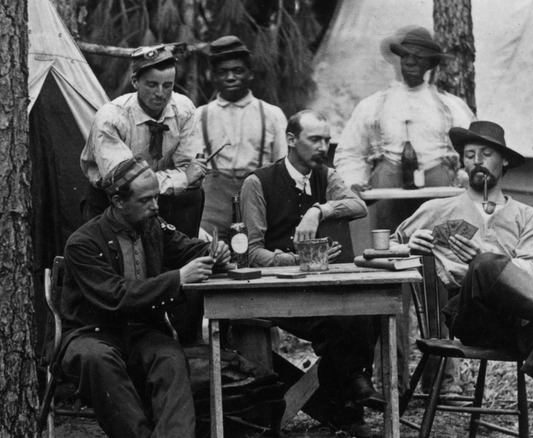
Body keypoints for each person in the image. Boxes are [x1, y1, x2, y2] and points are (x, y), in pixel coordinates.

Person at [391, 121, 533, 437]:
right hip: (472, 316)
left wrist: (485, 253)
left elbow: (530, 273)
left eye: (486, 154)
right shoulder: (439, 209)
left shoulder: (528, 217)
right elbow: (382, 249)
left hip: (523, 319)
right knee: (485, 264)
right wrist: (406, 247)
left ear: (505, 162)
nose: (476, 160)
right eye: (469, 154)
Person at [59, 158, 231, 438]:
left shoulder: (152, 226)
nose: (156, 206)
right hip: (90, 334)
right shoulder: (83, 243)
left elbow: (187, 250)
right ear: (117, 201)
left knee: (169, 356)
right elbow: (116, 295)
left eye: (156, 197)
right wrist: (178, 278)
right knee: (100, 360)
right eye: (146, 199)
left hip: (139, 333)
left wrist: (213, 254)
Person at [239, 110, 380, 437]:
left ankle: (348, 404)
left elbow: (358, 207)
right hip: (277, 295)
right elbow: (251, 253)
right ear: (291, 140)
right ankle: (351, 398)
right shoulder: (257, 183)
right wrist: (299, 259)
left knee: (365, 307)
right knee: (347, 319)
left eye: (326, 139)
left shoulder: (325, 176)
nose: (323, 146)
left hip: (321, 291)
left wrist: (320, 209)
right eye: (314, 139)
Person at [334, 25, 476, 232]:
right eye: (405, 56)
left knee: (439, 251)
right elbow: (350, 151)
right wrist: (354, 180)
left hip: (440, 196)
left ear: (431, 63)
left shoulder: (453, 107)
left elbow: (474, 151)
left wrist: (464, 176)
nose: (410, 62)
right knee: (391, 250)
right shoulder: (372, 106)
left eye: (419, 57)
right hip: (388, 195)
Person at [80, 44, 207, 236]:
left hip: (163, 199)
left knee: (193, 195)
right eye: (152, 84)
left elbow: (193, 173)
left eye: (167, 86)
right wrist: (182, 178)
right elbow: (127, 185)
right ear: (134, 81)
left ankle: (181, 258)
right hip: (115, 201)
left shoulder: (183, 110)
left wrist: (186, 177)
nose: (160, 93)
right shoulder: (111, 118)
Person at [190, 35, 288, 238]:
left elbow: (282, 166)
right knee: (210, 251)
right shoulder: (200, 115)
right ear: (213, 76)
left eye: (238, 71)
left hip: (258, 196)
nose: (230, 77)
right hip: (213, 202)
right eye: (223, 72)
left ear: (250, 74)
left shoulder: (271, 114)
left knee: (256, 252)